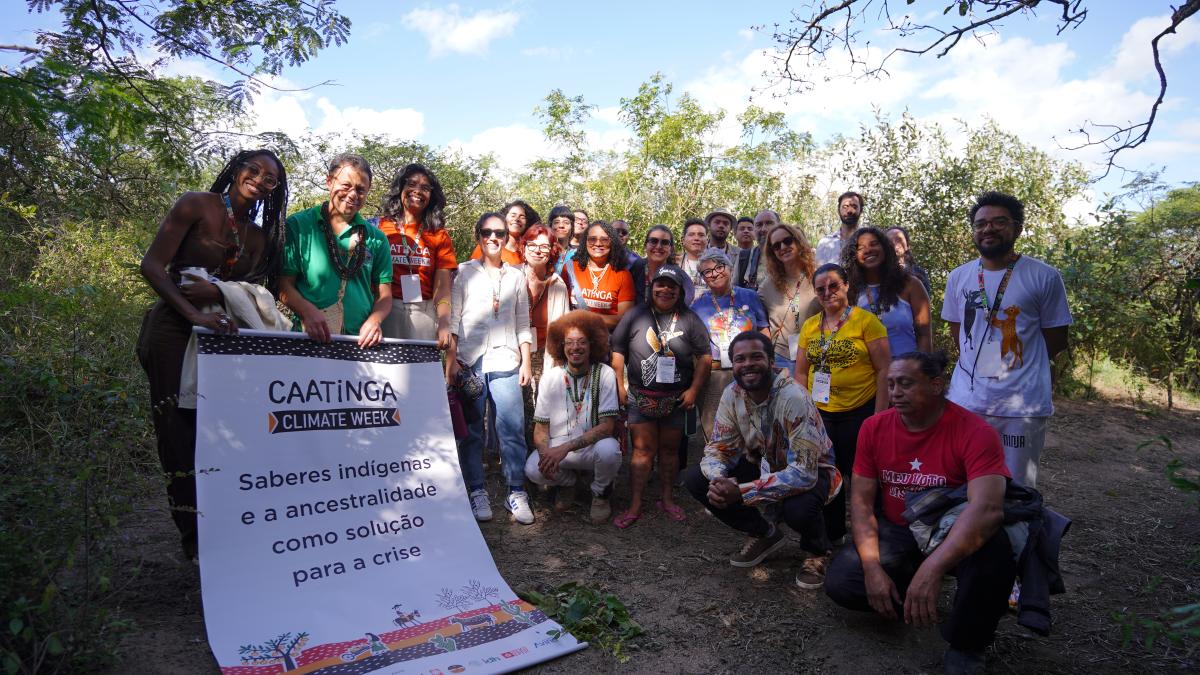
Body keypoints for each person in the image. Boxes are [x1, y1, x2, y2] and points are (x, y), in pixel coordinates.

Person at [138, 149, 287, 560]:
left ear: (274, 189)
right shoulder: (195, 204)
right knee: (176, 430)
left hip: (221, 335)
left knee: (222, 432)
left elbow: (255, 293)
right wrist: (190, 313)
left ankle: (228, 531)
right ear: (236, 170)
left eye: (269, 178)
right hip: (173, 327)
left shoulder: (257, 236)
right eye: (252, 170)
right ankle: (194, 541)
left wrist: (219, 294)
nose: (259, 179)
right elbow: (151, 265)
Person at [825, 351, 1015, 674]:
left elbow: (988, 508)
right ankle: (911, 598)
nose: (895, 392)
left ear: (937, 384)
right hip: (899, 529)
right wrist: (872, 568)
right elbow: (860, 503)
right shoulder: (873, 428)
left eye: (906, 384)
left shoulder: (975, 431)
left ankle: (968, 644)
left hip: (949, 529)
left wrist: (934, 569)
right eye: (891, 384)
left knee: (995, 552)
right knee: (843, 581)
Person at [684, 332, 841, 588]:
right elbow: (719, 447)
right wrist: (719, 480)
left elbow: (803, 473)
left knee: (797, 509)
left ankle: (817, 551)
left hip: (812, 470)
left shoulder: (794, 397)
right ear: (732, 364)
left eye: (756, 357)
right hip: (764, 462)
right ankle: (765, 533)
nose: (747, 364)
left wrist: (742, 492)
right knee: (696, 479)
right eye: (740, 359)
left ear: (770, 361)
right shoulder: (732, 394)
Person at [942, 191, 1071, 488]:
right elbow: (958, 331)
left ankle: (1017, 536)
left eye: (999, 222)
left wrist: (1018, 367)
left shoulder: (1044, 276)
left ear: (1017, 228)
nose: (988, 228)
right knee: (961, 482)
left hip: (1020, 406)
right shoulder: (958, 277)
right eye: (981, 223)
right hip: (967, 401)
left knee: (1016, 489)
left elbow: (1056, 338)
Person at [446, 212, 535, 525]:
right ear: (478, 236)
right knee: (471, 431)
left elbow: (524, 322)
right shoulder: (464, 272)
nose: (494, 238)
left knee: (511, 428)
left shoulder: (516, 276)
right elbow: (453, 320)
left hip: (506, 358)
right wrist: (451, 360)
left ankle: (516, 490)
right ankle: (476, 489)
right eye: (487, 232)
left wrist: (526, 360)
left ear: (506, 237)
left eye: (499, 233)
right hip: (470, 360)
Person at [795, 263, 891, 545]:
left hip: (859, 412)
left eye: (834, 286)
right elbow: (801, 371)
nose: (827, 293)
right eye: (821, 288)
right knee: (826, 475)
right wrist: (805, 411)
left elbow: (885, 369)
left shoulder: (866, 322)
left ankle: (877, 539)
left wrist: (879, 417)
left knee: (863, 477)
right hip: (821, 415)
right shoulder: (811, 325)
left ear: (847, 285)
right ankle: (833, 534)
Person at [611, 265, 711, 528]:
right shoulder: (635, 315)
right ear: (651, 287)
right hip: (640, 397)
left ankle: (666, 498)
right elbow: (618, 351)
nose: (665, 290)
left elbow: (705, 357)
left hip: (677, 399)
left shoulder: (689, 319)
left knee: (669, 451)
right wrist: (620, 385)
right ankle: (636, 502)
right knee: (642, 451)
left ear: (679, 291)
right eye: (660, 285)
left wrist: (693, 391)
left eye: (672, 286)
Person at [279, 153, 391, 347]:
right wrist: (307, 312)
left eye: (360, 189)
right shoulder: (298, 226)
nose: (353, 194)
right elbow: (283, 284)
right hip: (309, 338)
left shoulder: (377, 238)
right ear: (329, 181)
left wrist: (375, 321)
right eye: (346, 185)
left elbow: (384, 295)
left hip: (359, 342)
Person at [525, 310, 622, 524]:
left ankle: (600, 494)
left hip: (591, 448)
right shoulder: (551, 378)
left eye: (581, 342)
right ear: (561, 346)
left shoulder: (604, 373)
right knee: (533, 469)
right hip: (559, 449)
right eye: (569, 342)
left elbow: (607, 427)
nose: (575, 348)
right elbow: (541, 427)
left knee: (610, 451)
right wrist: (545, 454)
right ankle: (568, 484)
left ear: (592, 345)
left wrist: (563, 449)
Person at [689, 249, 769, 440]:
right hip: (716, 376)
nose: (714, 273)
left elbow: (764, 332)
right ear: (702, 277)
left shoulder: (750, 296)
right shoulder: (697, 306)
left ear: (730, 267)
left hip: (751, 371)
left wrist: (767, 363)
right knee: (718, 432)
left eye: (719, 267)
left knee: (754, 430)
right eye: (707, 271)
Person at [376, 163, 456, 345]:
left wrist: (444, 322)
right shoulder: (379, 227)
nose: (417, 191)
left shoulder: (439, 234)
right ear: (400, 189)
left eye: (425, 188)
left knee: (420, 371)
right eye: (411, 184)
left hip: (424, 313)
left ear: (431, 196)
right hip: (385, 310)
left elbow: (442, 287)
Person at [844, 226, 932, 355]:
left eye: (874, 244)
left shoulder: (911, 285)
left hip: (905, 372)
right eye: (860, 248)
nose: (868, 250)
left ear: (886, 248)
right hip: (866, 373)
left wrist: (921, 370)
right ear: (854, 255)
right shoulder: (850, 292)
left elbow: (924, 336)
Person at [758, 223, 819, 370]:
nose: (783, 247)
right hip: (782, 359)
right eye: (776, 246)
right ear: (772, 252)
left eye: (787, 241)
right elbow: (761, 325)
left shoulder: (818, 276)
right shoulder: (767, 286)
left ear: (798, 241)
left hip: (817, 355)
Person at [562, 221, 636, 329]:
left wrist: (587, 318)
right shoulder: (570, 269)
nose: (598, 243)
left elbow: (624, 319)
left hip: (607, 340)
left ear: (612, 243)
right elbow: (561, 309)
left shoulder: (623, 275)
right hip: (574, 339)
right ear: (585, 241)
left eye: (604, 240)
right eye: (592, 239)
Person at [629, 224, 695, 307]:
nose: (659, 246)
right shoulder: (637, 267)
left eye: (665, 242)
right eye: (653, 241)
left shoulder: (679, 275)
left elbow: (685, 303)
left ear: (671, 249)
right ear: (645, 245)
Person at [470, 200, 537, 265]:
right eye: (513, 215)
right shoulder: (488, 245)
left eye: (522, 217)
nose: (517, 219)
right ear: (504, 218)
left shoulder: (530, 250)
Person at [816, 191, 864, 265]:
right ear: (838, 210)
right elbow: (818, 272)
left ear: (861, 210)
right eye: (845, 206)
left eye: (854, 206)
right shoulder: (825, 243)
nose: (849, 211)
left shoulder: (867, 240)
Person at [886, 226, 932, 296]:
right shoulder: (876, 274)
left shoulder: (918, 273)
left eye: (898, 239)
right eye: (889, 241)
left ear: (907, 245)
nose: (894, 243)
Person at [680, 218, 709, 290]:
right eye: (691, 234)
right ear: (683, 240)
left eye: (701, 235)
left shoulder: (716, 264)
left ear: (707, 241)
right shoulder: (674, 263)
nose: (696, 238)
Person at [731, 216, 757, 288]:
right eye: (742, 229)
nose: (746, 231)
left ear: (755, 234)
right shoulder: (728, 253)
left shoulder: (760, 254)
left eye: (750, 229)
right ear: (735, 234)